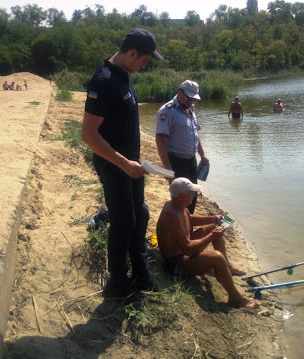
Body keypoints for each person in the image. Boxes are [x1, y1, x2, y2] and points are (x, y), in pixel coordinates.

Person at [81, 28, 163, 299]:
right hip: (113, 166)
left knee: (139, 216)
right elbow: (88, 135)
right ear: (131, 53)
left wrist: (136, 161)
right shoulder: (103, 81)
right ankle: (117, 285)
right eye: (144, 60)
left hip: (132, 166)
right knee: (123, 223)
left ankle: (141, 277)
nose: (144, 65)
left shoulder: (124, 76)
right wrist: (124, 163)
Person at [157, 177, 259, 309]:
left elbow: (191, 219)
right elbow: (188, 249)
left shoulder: (178, 205)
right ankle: (236, 298)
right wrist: (211, 236)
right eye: (192, 192)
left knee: (213, 227)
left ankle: (227, 267)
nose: (194, 195)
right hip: (176, 263)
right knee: (217, 257)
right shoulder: (172, 215)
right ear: (182, 196)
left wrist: (213, 219)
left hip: (182, 250)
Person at [155, 80, 207, 214]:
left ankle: (187, 226)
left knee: (192, 195)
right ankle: (179, 228)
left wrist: (202, 154)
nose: (191, 102)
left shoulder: (191, 109)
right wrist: (168, 170)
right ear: (180, 93)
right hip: (177, 162)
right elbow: (160, 140)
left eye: (193, 100)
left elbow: (195, 133)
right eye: (189, 98)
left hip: (191, 160)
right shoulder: (167, 111)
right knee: (181, 200)